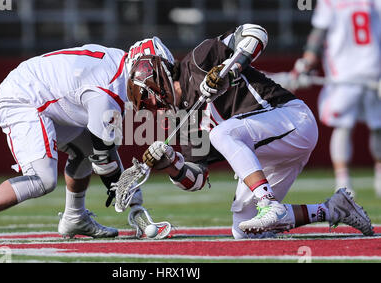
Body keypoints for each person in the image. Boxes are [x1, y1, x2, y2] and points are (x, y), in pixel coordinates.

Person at [126, 24, 374, 238]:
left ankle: (267, 204)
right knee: (243, 230)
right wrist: (171, 165)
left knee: (221, 133)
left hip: (292, 119)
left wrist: (230, 69)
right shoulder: (185, 121)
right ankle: (335, 209)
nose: (155, 111)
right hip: (264, 151)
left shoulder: (200, 59)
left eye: (149, 100)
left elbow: (256, 33)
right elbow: (197, 179)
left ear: (156, 76)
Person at [0, 37, 173, 243]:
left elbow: (102, 150)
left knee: (85, 150)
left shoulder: (118, 66)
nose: (155, 91)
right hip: (23, 97)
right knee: (43, 179)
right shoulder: (108, 92)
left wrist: (130, 196)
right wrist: (132, 202)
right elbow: (104, 160)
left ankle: (75, 218)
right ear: (140, 67)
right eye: (154, 78)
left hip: (40, 92)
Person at [291, 0, 381, 198]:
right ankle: (372, 178)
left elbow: (318, 35)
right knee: (376, 126)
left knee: (346, 126)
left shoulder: (330, 2)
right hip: (372, 69)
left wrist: (306, 63)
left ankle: (344, 181)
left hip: (345, 74)